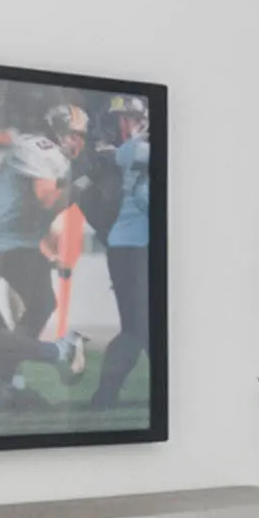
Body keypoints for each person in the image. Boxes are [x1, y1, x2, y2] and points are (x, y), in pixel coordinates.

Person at [0, 103, 83, 393]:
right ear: (57, 131)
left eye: (81, 136)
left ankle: (3, 379)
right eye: (73, 134)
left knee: (42, 303)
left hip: (17, 241)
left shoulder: (53, 155)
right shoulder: (40, 149)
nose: (78, 142)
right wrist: (81, 186)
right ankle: (57, 352)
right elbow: (46, 200)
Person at [92, 101, 155, 407]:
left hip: (131, 245)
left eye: (125, 119)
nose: (121, 125)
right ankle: (105, 395)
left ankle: (105, 395)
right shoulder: (138, 148)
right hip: (134, 247)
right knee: (140, 328)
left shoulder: (132, 148)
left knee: (140, 327)